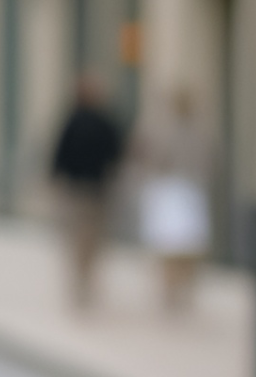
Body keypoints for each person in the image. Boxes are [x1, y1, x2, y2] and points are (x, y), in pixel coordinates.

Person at [132, 86, 215, 314]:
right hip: (187, 192)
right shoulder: (198, 133)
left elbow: (154, 160)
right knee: (183, 245)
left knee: (175, 245)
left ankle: (173, 289)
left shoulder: (172, 132)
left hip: (176, 192)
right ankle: (179, 288)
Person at [50, 74, 127, 311]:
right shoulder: (87, 121)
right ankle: (84, 278)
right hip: (88, 190)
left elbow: (59, 155)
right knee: (87, 237)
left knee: (84, 238)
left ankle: (84, 278)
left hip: (90, 190)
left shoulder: (87, 121)